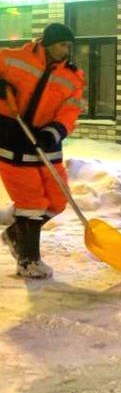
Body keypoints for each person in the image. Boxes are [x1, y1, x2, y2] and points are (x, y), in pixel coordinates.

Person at [0, 23, 85, 278]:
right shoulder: (13, 58)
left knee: (57, 200)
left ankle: (15, 234)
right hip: (12, 139)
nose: (67, 50)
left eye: (69, 46)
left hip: (46, 144)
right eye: (62, 45)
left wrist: (55, 131)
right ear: (48, 43)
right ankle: (28, 261)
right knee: (31, 203)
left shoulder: (73, 76)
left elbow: (71, 110)